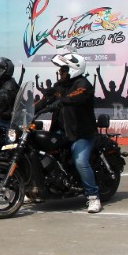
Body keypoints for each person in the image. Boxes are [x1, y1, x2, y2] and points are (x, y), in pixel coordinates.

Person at [44, 51, 102, 213]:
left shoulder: (83, 85)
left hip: (81, 133)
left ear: (72, 69)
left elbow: (75, 97)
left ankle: (93, 197)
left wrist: (59, 102)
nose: (60, 73)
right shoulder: (59, 86)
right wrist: (31, 109)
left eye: (63, 70)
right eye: (60, 70)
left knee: (80, 162)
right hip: (61, 132)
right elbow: (45, 100)